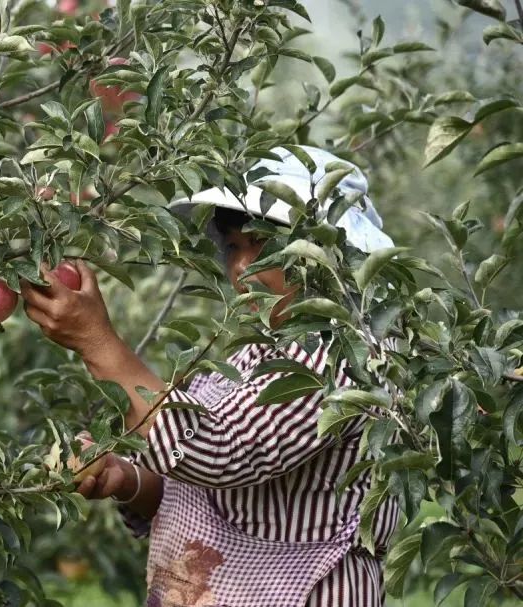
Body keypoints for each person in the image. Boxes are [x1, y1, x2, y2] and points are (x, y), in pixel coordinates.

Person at [20, 146, 400, 606]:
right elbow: (208, 498)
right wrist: (128, 480)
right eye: (235, 247)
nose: (242, 268)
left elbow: (218, 449)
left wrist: (98, 342)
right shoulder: (260, 348)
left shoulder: (341, 352)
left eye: (265, 245)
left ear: (327, 252)